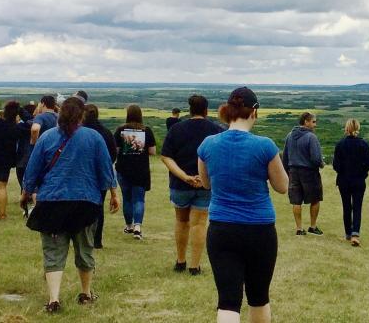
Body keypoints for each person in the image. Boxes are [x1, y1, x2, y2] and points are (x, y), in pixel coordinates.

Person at [198, 87, 288, 323]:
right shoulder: (265, 146)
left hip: (221, 229)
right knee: (259, 297)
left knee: (228, 301)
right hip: (260, 230)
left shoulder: (207, 145)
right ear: (254, 112)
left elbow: (206, 184)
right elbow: (282, 186)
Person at [21, 97, 119, 314]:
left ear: (60, 113)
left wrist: (26, 192)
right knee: (85, 249)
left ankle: (54, 299)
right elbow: (105, 169)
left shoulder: (47, 137)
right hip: (85, 203)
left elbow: (32, 169)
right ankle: (85, 293)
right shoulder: (93, 137)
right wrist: (113, 193)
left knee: (53, 252)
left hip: (52, 202)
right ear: (81, 115)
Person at [160, 94, 224, 274]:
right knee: (199, 224)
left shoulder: (176, 129)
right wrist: (202, 178)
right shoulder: (217, 130)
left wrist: (185, 177)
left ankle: (180, 261)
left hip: (180, 184)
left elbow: (166, 156)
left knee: (181, 221)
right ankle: (194, 266)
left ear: (190, 110)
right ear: (206, 110)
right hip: (205, 184)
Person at [114, 104, 157, 240]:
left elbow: (116, 150)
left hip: (123, 169)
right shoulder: (147, 131)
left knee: (127, 198)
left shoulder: (120, 130)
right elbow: (152, 151)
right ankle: (138, 227)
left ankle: (129, 226)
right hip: (141, 170)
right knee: (139, 199)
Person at [332, 119, 369, 246]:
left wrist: (343, 171)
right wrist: (362, 172)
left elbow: (335, 165)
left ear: (346, 128)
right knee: (357, 206)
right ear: (358, 128)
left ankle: (348, 233)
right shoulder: (363, 144)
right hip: (359, 180)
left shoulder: (340, 144)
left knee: (346, 207)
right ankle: (355, 233)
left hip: (343, 180)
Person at [82, 104, 119, 248]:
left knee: (82, 205)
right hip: (101, 175)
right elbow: (113, 155)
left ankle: (83, 237)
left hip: (84, 173)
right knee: (98, 207)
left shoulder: (80, 132)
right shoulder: (106, 132)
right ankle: (97, 240)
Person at [282, 112, 324, 235]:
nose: (315, 125)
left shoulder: (290, 136)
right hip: (309, 172)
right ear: (306, 122)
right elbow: (316, 158)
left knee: (296, 201)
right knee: (315, 199)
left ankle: (299, 228)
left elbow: (285, 156)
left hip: (293, 171)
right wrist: (321, 164)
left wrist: (287, 171)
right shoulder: (311, 137)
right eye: (313, 122)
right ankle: (313, 226)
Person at [18, 95, 59, 196]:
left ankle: (32, 205)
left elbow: (35, 129)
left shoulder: (40, 117)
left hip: (42, 151)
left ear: (43, 104)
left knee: (36, 179)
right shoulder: (59, 117)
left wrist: (33, 143)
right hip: (57, 153)